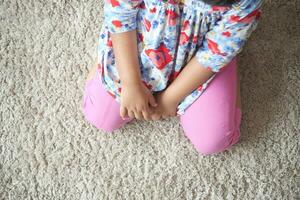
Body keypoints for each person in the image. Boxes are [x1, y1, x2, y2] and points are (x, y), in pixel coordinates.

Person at [82, 0, 262, 155]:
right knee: (101, 118)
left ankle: (231, 59)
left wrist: (170, 99)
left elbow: (217, 50)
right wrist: (131, 82)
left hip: (202, 54)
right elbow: (120, 12)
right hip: (144, 36)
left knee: (213, 140)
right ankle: (108, 53)